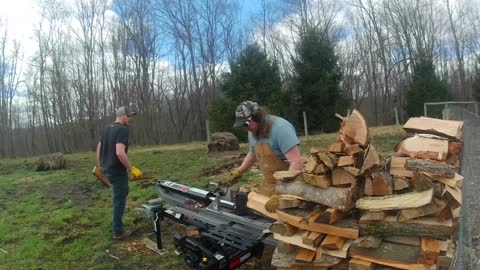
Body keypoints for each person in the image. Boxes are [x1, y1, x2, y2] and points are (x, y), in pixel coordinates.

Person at [227, 101, 303, 196]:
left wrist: (284, 190)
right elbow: (253, 153)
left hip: (290, 185)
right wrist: (239, 171)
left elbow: (296, 162)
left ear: (257, 116)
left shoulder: (281, 129)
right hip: (269, 184)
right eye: (242, 126)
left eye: (245, 124)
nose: (245, 129)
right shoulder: (252, 131)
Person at [96, 106, 142, 240]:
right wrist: (131, 168)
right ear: (121, 116)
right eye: (128, 116)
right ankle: (118, 231)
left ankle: (117, 225)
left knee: (121, 193)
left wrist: (100, 164)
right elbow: (120, 152)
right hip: (117, 170)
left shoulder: (107, 128)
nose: (130, 119)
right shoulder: (122, 130)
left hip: (107, 169)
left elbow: (99, 147)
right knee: (119, 198)